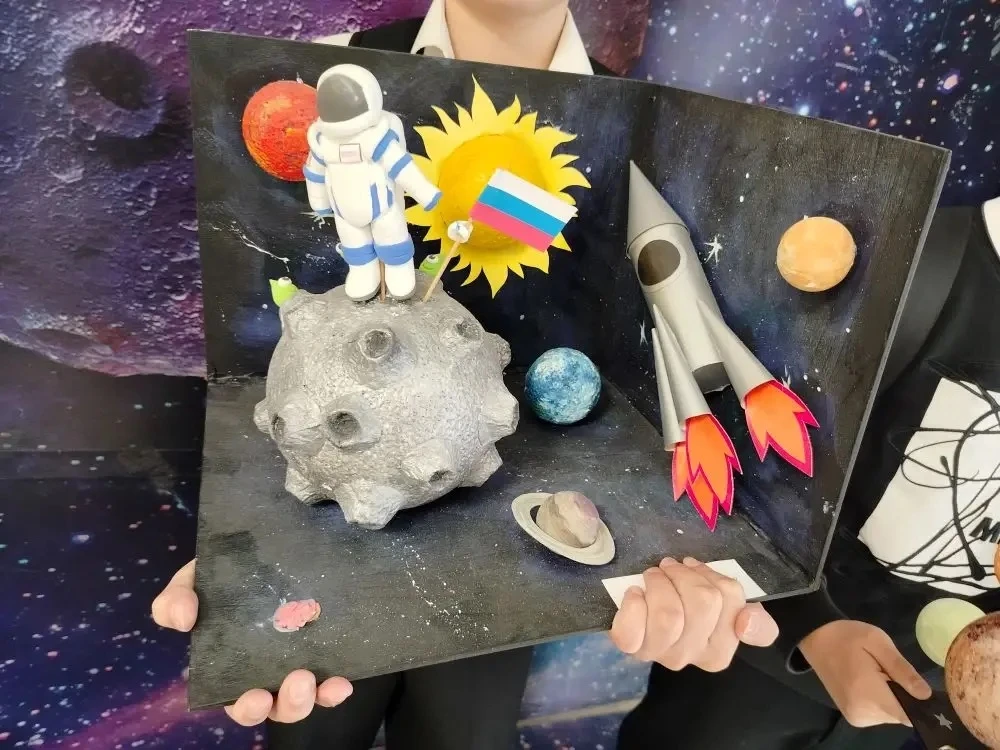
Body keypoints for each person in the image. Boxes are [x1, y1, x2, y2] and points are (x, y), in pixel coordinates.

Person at [154, 2, 780, 749]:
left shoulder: (636, 129)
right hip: (330, 526)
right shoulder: (315, 82)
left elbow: (630, 368)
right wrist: (247, 531)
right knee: (312, 734)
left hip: (502, 523)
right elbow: (258, 340)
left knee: (463, 733)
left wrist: (663, 555)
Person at [618, 197, 1000, 749]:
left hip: (922, 702)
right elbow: (730, 458)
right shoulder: (907, 264)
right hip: (753, 659)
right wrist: (812, 624)